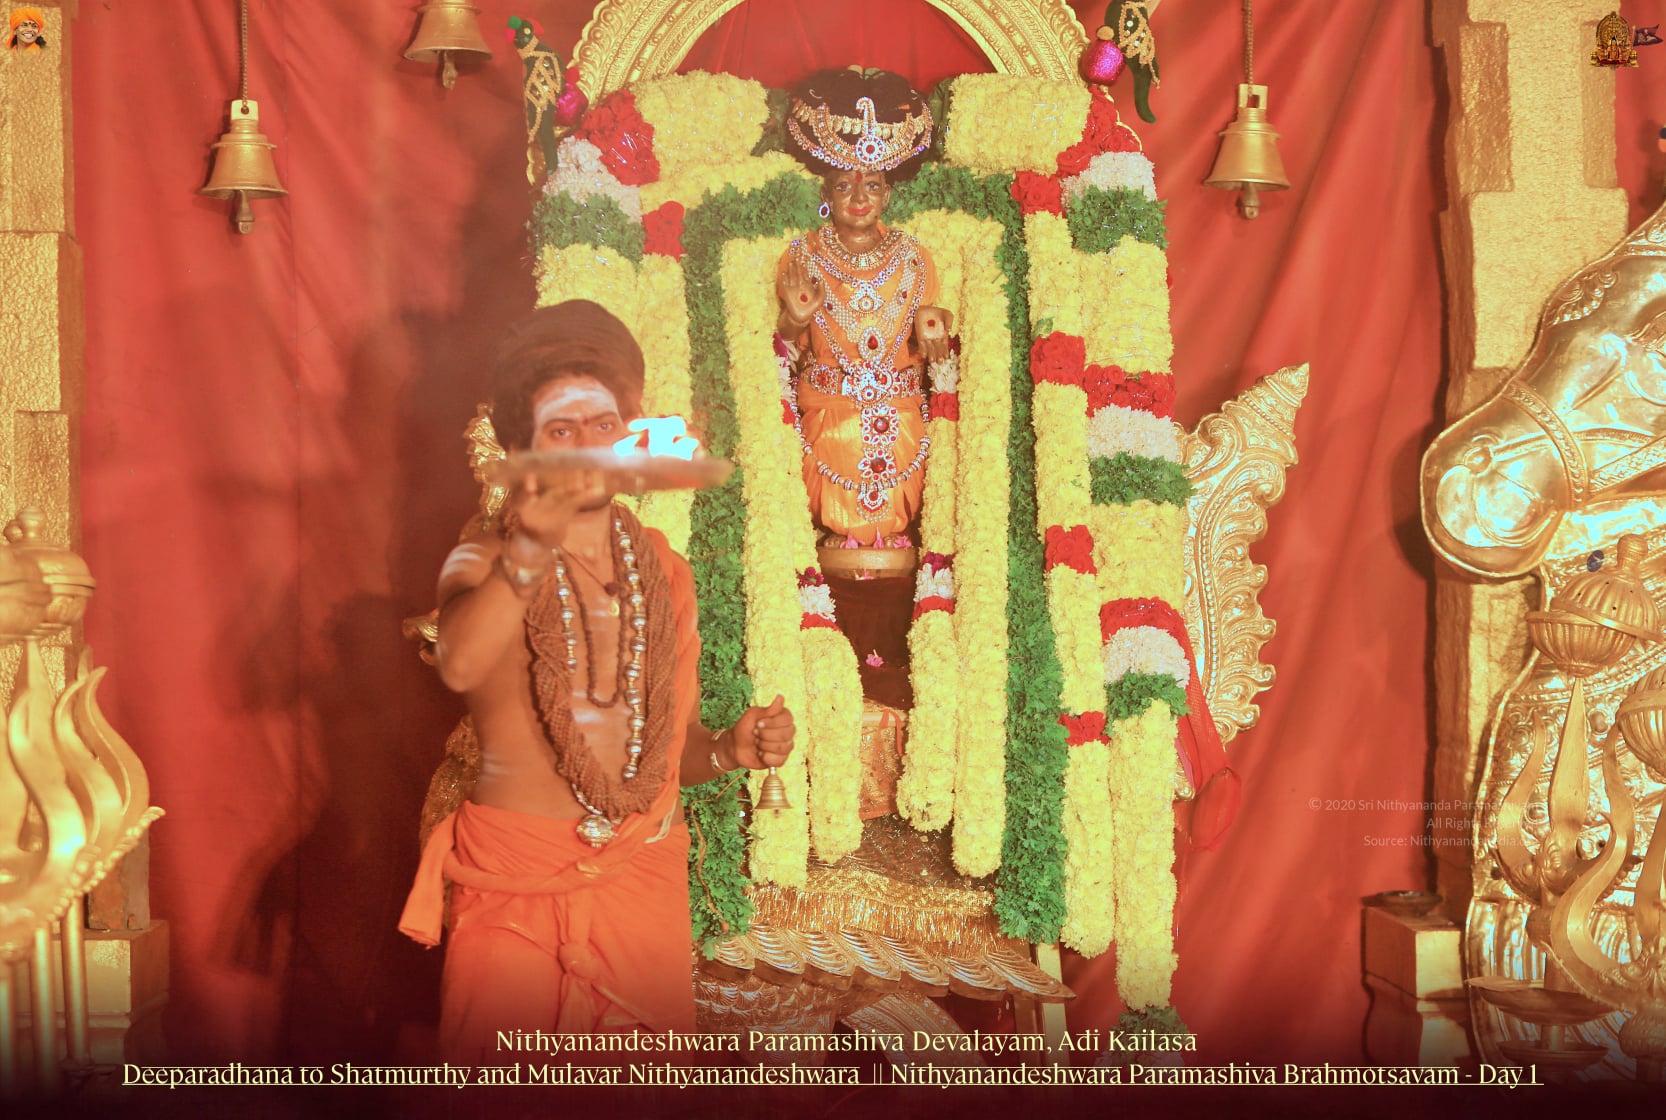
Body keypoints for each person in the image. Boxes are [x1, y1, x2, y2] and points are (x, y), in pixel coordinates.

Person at [399, 300, 795, 1062]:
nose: (587, 447)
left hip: (637, 882)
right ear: (521, 446)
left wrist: (728, 750)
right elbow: (460, 662)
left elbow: (669, 750)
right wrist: (532, 547)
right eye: (561, 430)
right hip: (514, 888)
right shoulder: (481, 558)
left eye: (604, 425)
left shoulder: (665, 573)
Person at [777, 68, 951, 549]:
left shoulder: (914, 257)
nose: (858, 198)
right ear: (826, 195)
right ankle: (838, 532)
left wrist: (936, 332)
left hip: (901, 410)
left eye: (872, 186)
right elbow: (783, 347)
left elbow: (933, 333)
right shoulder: (803, 256)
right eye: (844, 187)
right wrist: (795, 318)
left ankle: (891, 534)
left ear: (887, 194)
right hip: (829, 412)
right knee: (836, 451)